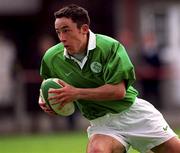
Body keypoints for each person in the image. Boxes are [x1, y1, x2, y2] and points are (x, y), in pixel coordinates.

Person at [38, 4, 180, 153]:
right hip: (102, 124)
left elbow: (118, 92)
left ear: (84, 29)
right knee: (97, 151)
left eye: (66, 30)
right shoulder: (52, 57)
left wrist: (76, 93)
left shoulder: (109, 47)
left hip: (133, 114)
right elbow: (46, 85)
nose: (61, 38)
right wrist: (45, 100)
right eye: (58, 32)